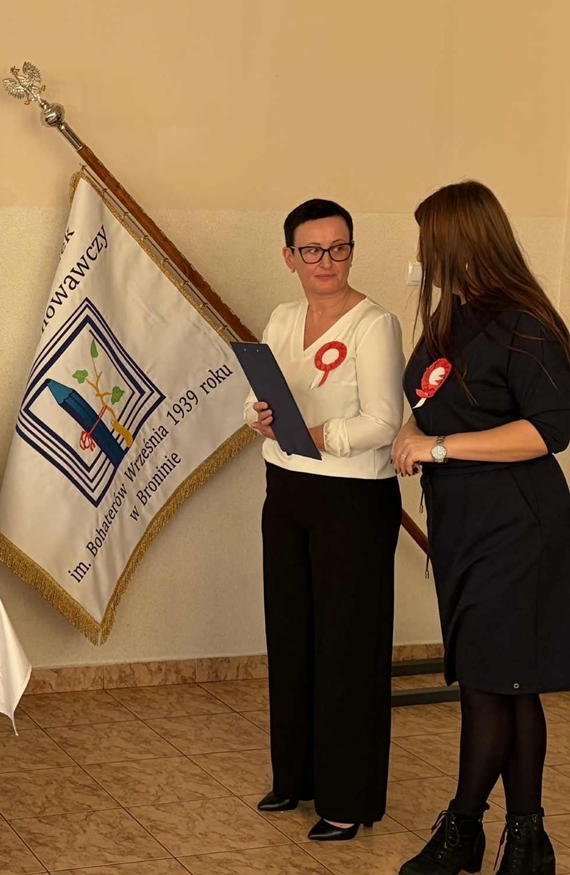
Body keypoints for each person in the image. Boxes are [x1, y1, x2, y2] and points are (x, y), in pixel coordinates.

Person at [394, 181, 570, 875]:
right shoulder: (452, 319)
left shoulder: (524, 322)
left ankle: (462, 829)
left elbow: (549, 431)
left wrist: (439, 448)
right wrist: (410, 435)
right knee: (503, 682)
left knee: (493, 682)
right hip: (463, 523)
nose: (419, 255)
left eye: (426, 241)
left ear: (459, 242)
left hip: (516, 525)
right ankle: (525, 841)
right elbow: (427, 402)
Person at [244, 199, 404, 842]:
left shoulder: (376, 323)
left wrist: (320, 435)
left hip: (353, 499)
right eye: (312, 250)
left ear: (352, 252)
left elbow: (384, 422)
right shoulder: (282, 317)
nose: (326, 261)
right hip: (286, 489)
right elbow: (256, 400)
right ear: (290, 257)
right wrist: (258, 417)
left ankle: (347, 799)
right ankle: (297, 778)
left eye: (338, 248)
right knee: (291, 635)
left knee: (346, 646)